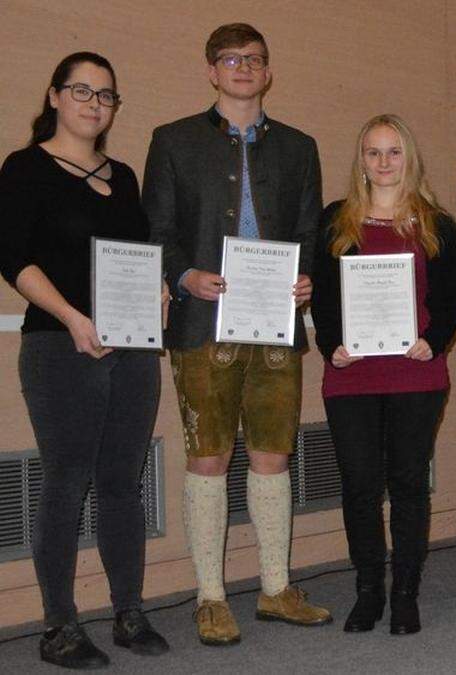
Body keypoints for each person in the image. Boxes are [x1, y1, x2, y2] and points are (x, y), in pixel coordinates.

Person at [143, 23, 330, 646]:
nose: (243, 67)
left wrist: (305, 279)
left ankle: (276, 588)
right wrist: (185, 274)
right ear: (211, 70)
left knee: (275, 454)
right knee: (209, 456)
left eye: (254, 59)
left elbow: (309, 232)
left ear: (268, 71)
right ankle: (211, 597)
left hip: (276, 325)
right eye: (231, 58)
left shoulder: (300, 147)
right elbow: (156, 231)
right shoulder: (171, 142)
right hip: (201, 323)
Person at [0, 52, 171, 669]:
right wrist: (74, 318)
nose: (94, 104)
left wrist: (157, 289)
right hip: (59, 346)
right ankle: (59, 627)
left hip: (131, 351)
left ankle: (128, 611)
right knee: (65, 484)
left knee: (123, 482)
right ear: (53, 96)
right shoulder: (24, 169)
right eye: (82, 91)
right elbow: (14, 259)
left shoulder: (122, 176)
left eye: (106, 95)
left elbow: (139, 251)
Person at [310, 114, 456, 632]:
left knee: (407, 484)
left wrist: (434, 341)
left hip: (415, 373)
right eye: (373, 153)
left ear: (409, 158)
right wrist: (331, 346)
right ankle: (367, 590)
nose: (383, 163)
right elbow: (327, 299)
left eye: (393, 152)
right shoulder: (337, 220)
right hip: (351, 377)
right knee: (358, 486)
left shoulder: (437, 224)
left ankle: (405, 592)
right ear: (361, 161)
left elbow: (448, 301)